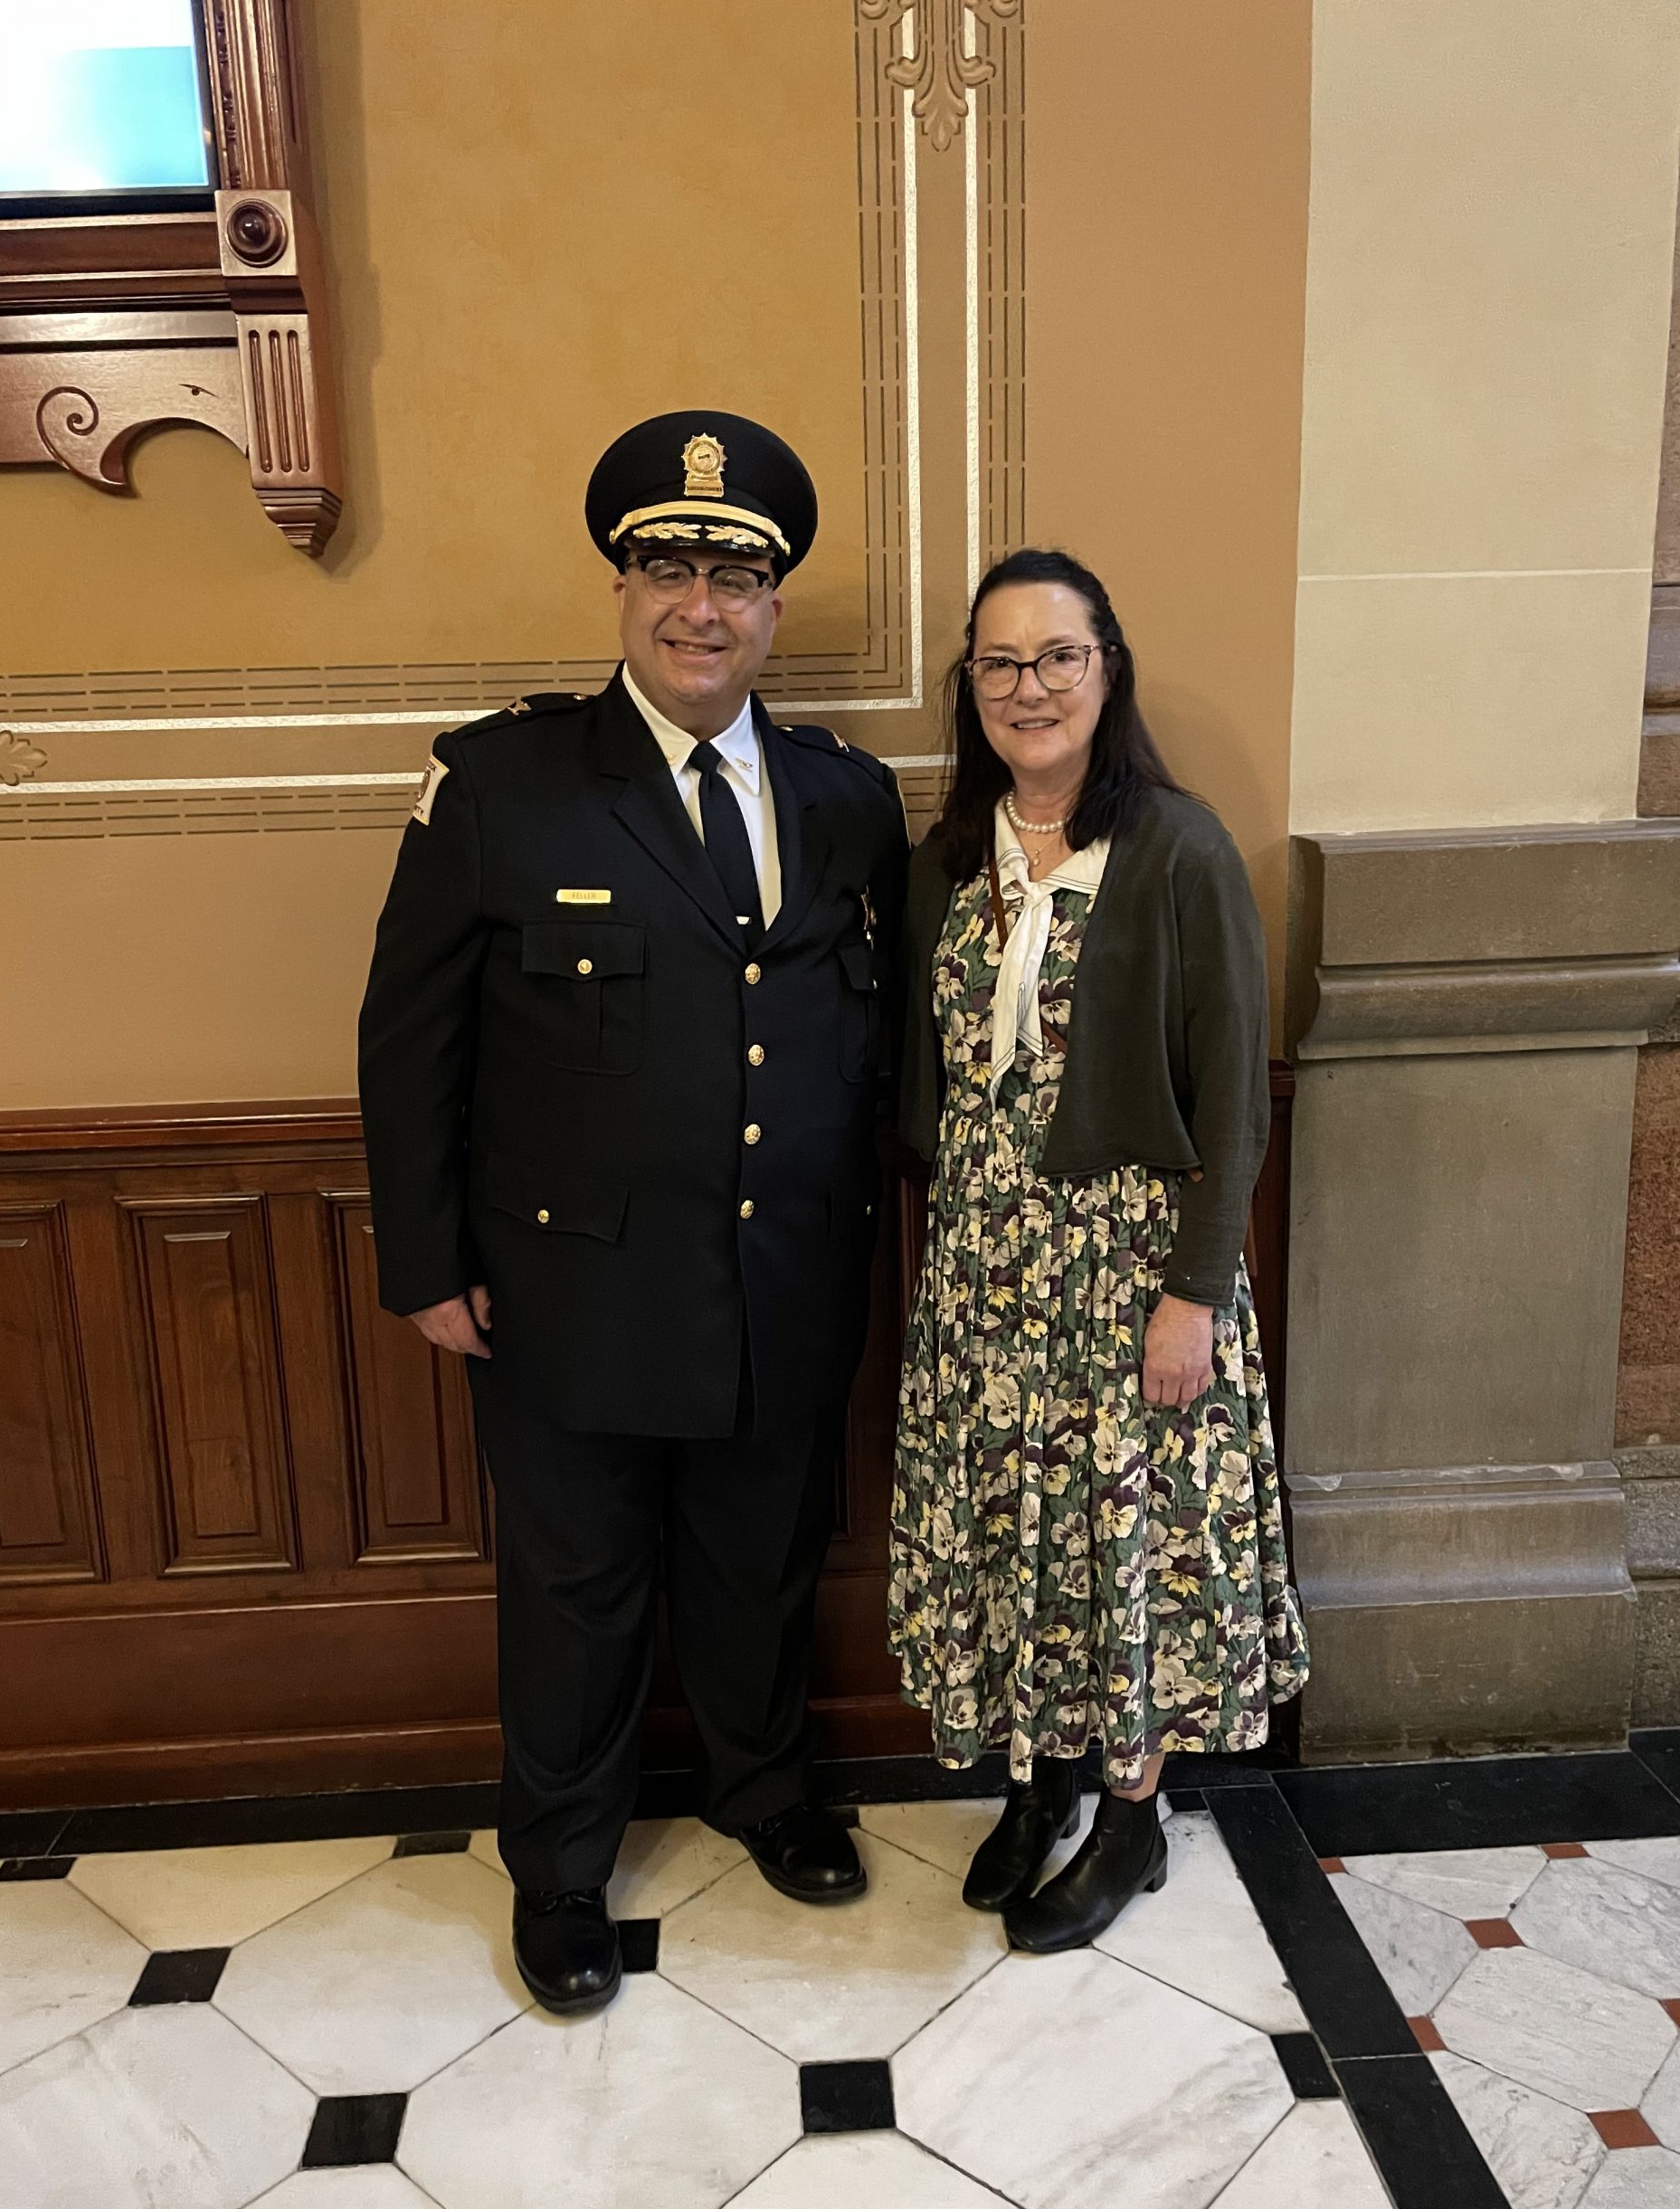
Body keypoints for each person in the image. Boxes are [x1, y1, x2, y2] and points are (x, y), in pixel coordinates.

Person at [359, 411, 908, 2015]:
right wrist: (426, 1258)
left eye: (735, 578)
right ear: (621, 586)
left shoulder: (846, 799)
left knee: (759, 1562)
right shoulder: (505, 783)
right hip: (567, 1290)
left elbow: (876, 1039)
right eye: (670, 569)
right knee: (577, 1588)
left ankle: (765, 1789)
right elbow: (410, 1041)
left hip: (783, 1278)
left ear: (774, 607)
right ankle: (561, 1867)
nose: (700, 606)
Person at [888, 547, 1309, 1953]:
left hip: (1130, 1269)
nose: (1030, 687)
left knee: (1123, 1544)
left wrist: (1193, 1294)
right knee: (1014, 1534)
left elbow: (1233, 1099)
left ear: (1106, 669)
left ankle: (1132, 1814)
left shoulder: (1179, 851)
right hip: (984, 1272)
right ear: (971, 684)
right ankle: (1037, 1781)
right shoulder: (947, 862)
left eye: (1058, 656)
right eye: (1000, 662)